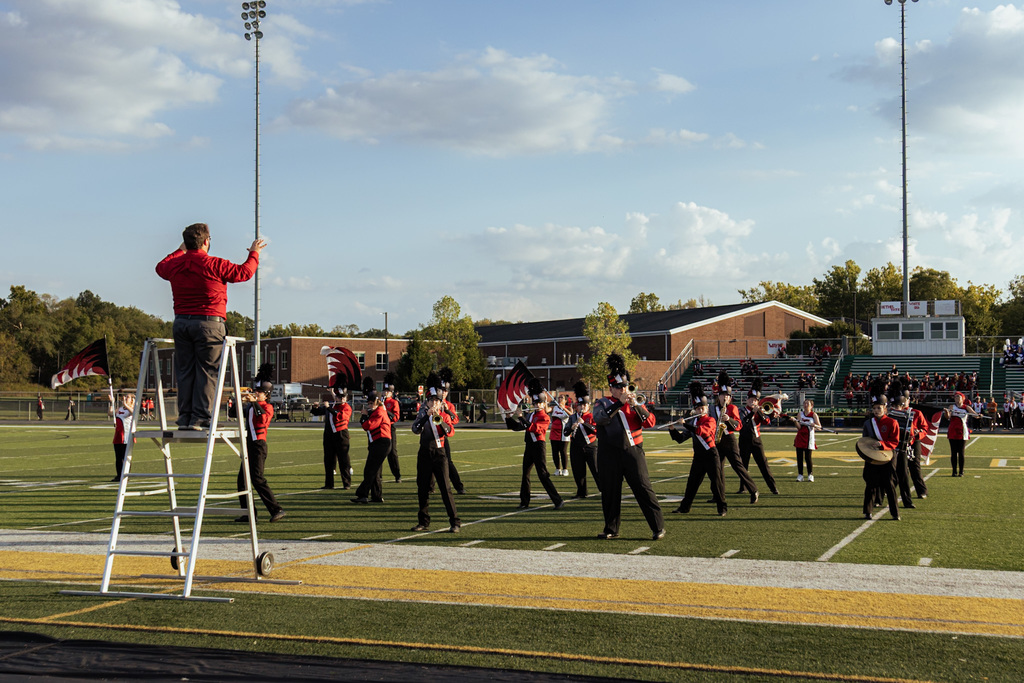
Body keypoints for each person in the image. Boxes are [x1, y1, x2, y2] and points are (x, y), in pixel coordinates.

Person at [156, 222, 265, 431]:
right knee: (207, 371)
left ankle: (185, 418)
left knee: (185, 371)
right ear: (206, 242)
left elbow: (160, 267)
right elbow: (245, 273)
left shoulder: (176, 264)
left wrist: (180, 251)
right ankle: (200, 417)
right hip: (209, 323)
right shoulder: (214, 264)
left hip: (181, 322)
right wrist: (254, 253)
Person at [593, 353, 664, 541]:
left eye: (625, 385)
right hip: (609, 454)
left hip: (633, 451)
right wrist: (619, 403)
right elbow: (599, 418)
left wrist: (636, 406)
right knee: (610, 491)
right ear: (611, 388)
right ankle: (611, 528)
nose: (624, 389)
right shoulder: (603, 402)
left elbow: (650, 423)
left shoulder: (636, 402)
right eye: (619, 387)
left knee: (643, 487)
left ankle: (658, 527)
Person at [410, 372, 461, 533]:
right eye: (431, 400)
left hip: (439, 455)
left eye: (436, 401)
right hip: (424, 453)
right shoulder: (422, 414)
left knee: (445, 488)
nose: (433, 403)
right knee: (422, 489)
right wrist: (426, 416)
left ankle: (455, 522)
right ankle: (423, 521)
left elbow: (450, 432)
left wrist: (438, 417)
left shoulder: (444, 416)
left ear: (440, 403)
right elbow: (415, 429)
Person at [670, 381, 727, 517]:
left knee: (716, 483)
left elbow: (702, 432)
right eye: (698, 408)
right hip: (699, 457)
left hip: (711, 455)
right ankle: (684, 507)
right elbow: (680, 439)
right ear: (694, 409)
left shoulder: (710, 421)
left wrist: (685, 425)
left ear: (707, 408)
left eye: (703, 408)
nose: (700, 410)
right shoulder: (692, 422)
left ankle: (722, 508)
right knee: (692, 484)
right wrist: (672, 429)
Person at [507, 378, 564, 510]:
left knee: (543, 475)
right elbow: (518, 427)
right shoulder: (531, 415)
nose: (537, 405)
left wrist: (521, 417)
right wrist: (509, 418)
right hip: (529, 446)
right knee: (525, 474)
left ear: (544, 403)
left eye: (539, 402)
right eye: (535, 402)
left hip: (539, 446)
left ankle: (558, 500)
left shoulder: (545, 417)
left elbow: (534, 428)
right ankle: (524, 501)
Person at [235, 373, 285, 523]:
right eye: (256, 391)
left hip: (258, 445)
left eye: (260, 392)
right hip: (249, 445)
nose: (256, 394)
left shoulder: (267, 407)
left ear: (266, 394)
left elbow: (262, 420)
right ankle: (249, 513)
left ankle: (277, 509)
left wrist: (254, 403)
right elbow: (234, 413)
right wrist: (238, 401)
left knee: (257, 479)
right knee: (242, 481)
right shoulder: (252, 406)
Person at [710, 371, 758, 503]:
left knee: (738, 466)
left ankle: (753, 490)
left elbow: (739, 425)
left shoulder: (732, 408)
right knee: (717, 469)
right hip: (717, 440)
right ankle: (718, 494)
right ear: (718, 396)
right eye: (722, 395)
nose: (725, 398)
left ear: (730, 398)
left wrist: (729, 419)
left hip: (729, 440)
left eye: (727, 396)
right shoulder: (713, 409)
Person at [861, 382, 900, 521]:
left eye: (879, 408)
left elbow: (895, 442)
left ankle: (895, 513)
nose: (877, 410)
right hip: (872, 457)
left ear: (885, 408)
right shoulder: (868, 423)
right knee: (870, 484)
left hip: (888, 456)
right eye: (875, 408)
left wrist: (882, 444)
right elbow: (864, 440)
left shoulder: (892, 423)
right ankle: (867, 511)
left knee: (889, 485)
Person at [351, 377, 393, 504]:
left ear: (377, 402)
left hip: (382, 443)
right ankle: (376, 496)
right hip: (378, 443)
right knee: (375, 471)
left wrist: (364, 416)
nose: (369, 406)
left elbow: (367, 426)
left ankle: (362, 494)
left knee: (370, 470)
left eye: (370, 403)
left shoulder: (379, 412)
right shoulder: (376, 411)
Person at [738, 379, 779, 495]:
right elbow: (743, 421)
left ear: (757, 401)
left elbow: (767, 421)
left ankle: (773, 487)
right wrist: (752, 412)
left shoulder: (760, 410)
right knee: (743, 465)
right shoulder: (741, 410)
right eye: (751, 399)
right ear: (747, 400)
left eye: (755, 400)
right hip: (744, 440)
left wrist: (759, 412)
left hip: (756, 440)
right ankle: (743, 487)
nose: (752, 401)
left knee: (763, 464)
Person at [310, 389, 352, 489]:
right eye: (339, 397)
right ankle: (329, 484)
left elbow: (339, 416)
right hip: (329, 435)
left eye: (343, 397)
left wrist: (328, 407)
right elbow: (317, 412)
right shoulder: (332, 406)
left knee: (343, 460)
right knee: (328, 460)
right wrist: (315, 407)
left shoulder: (346, 407)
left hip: (341, 435)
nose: (341, 399)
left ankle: (346, 483)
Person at [566, 381, 599, 498]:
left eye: (585, 405)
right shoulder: (572, 417)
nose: (583, 407)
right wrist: (571, 427)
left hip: (590, 446)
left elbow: (596, 430)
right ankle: (581, 492)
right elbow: (565, 432)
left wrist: (583, 423)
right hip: (576, 447)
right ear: (577, 406)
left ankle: (604, 490)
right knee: (578, 471)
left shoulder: (592, 416)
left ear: (588, 406)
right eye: (580, 405)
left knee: (596, 470)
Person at [944, 391, 978, 477]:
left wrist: (979, 415)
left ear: (962, 398)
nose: (957, 399)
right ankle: (954, 471)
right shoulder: (952, 407)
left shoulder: (966, 407)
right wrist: (946, 412)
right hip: (952, 431)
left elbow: (975, 415)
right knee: (953, 452)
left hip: (962, 431)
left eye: (958, 397)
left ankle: (961, 471)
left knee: (961, 452)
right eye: (955, 397)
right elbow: (948, 417)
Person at [793, 398, 821, 482]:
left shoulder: (814, 415)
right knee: (799, 457)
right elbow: (799, 427)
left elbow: (820, 427)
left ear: (811, 406)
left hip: (809, 438)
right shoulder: (800, 414)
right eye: (804, 404)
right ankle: (800, 475)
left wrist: (814, 425)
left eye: (807, 404)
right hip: (800, 437)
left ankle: (810, 474)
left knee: (808, 458)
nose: (805, 406)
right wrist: (795, 422)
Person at [382, 373, 402, 483]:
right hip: (380, 428)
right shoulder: (380, 401)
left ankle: (397, 474)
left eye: (388, 391)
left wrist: (385, 410)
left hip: (390, 427)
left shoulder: (394, 402)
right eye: (384, 391)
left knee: (392, 452)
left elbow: (396, 417)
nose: (385, 393)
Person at [111, 394, 135, 481]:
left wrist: (126, 405)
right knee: (118, 457)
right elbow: (111, 413)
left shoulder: (131, 409)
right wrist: (112, 403)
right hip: (118, 435)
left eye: (128, 397)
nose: (125, 397)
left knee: (125, 457)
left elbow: (133, 413)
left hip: (127, 436)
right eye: (125, 396)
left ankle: (126, 475)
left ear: (132, 400)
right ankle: (119, 475)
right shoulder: (120, 409)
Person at [549, 394, 571, 476]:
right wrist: (544, 402)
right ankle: (557, 469)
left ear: (565, 400)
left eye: (562, 398)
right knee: (555, 452)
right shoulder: (554, 408)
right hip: (554, 433)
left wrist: (564, 408)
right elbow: (547, 409)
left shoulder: (568, 408)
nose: (560, 399)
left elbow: (571, 414)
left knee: (563, 451)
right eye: (559, 397)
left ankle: (565, 469)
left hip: (563, 433)